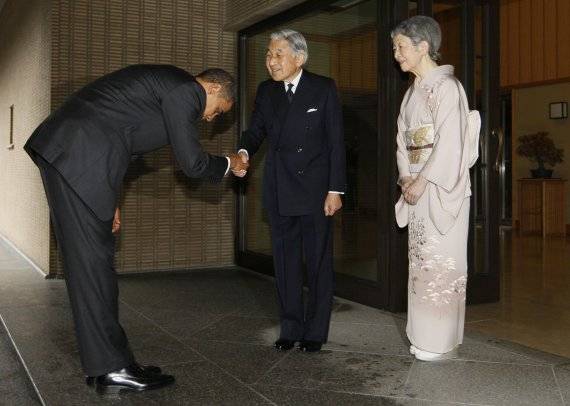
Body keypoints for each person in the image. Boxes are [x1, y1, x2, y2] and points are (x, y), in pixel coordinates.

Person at [24, 64, 248, 391]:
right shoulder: (186, 91)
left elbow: (123, 137)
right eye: (217, 112)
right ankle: (111, 369)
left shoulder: (169, 89)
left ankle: (108, 366)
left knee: (91, 265)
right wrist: (231, 162)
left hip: (79, 158)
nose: (210, 119)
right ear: (213, 88)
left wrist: (110, 196)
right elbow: (193, 163)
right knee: (93, 267)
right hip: (79, 157)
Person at [235, 29, 346, 353]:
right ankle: (290, 327)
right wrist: (243, 152)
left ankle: (315, 332)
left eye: (278, 54)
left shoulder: (323, 88)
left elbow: (336, 142)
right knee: (285, 264)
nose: (271, 61)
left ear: (299, 58)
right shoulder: (266, 91)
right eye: (268, 55)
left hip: (315, 192)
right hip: (280, 188)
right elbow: (255, 131)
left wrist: (335, 190)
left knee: (318, 264)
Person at [392, 16, 474, 361]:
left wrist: (423, 180)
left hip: (439, 189)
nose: (396, 54)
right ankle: (424, 335)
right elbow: (403, 142)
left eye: (401, 47)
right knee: (421, 264)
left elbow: (451, 142)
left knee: (442, 262)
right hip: (417, 186)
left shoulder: (447, 87)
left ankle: (439, 341)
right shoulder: (412, 92)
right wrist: (406, 178)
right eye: (395, 47)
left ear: (423, 46)